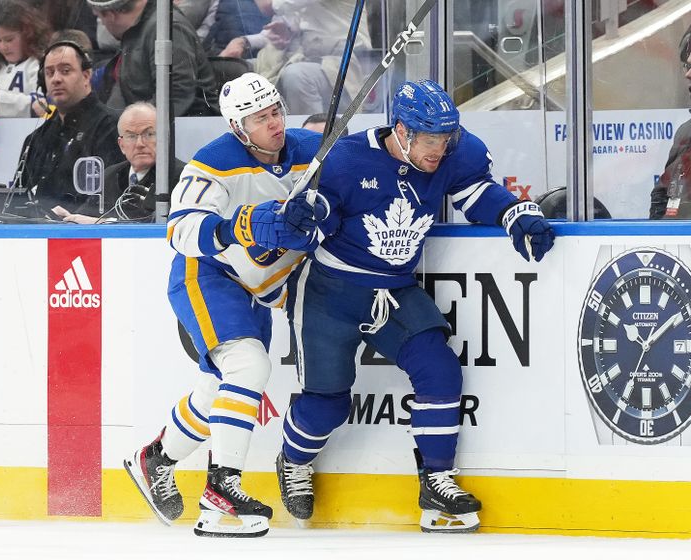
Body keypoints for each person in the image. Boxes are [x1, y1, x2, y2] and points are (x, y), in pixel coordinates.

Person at [273, 80, 555, 532]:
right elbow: (315, 222)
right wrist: (304, 216)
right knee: (327, 404)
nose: (438, 151)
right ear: (401, 131)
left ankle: (436, 479)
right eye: (428, 140)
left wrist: (513, 213)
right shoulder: (345, 160)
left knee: (439, 369)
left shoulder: (455, 151)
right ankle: (292, 461)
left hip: (396, 290)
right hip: (331, 292)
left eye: (445, 140)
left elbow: (476, 193)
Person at [122, 72, 323, 537]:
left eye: (276, 112)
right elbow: (181, 230)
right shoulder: (213, 162)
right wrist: (237, 227)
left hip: (258, 284)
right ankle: (221, 490)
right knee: (249, 368)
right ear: (238, 128)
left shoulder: (305, 152)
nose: (274, 123)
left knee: (220, 390)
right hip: (207, 275)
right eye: (260, 118)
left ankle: (155, 460)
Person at [14, 40, 124, 214]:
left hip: (87, 234)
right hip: (35, 235)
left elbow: (112, 200)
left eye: (65, 71)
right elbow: (16, 200)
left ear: (87, 76)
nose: (56, 79)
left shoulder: (111, 127)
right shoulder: (36, 139)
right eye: (49, 73)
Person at [55, 101, 186, 223]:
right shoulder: (110, 175)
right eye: (131, 136)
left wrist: (104, 223)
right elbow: (86, 215)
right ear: (121, 145)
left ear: (164, 138)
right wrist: (68, 218)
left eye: (149, 134)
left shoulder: (182, 176)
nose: (140, 144)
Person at [87, 0, 219, 116]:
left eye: (101, 20)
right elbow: (121, 94)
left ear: (110, 16)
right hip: (150, 128)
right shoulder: (135, 31)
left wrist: (132, 126)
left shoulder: (167, 29)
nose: (104, 25)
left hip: (187, 132)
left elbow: (177, 94)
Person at [649, 24, 691, 220]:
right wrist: (658, 237)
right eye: (687, 66)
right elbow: (663, 194)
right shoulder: (686, 132)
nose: (687, 74)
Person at [0, 0, 48, 117]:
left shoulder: (39, 65)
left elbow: (42, 106)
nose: (3, 46)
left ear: (28, 35)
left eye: (9, 40)